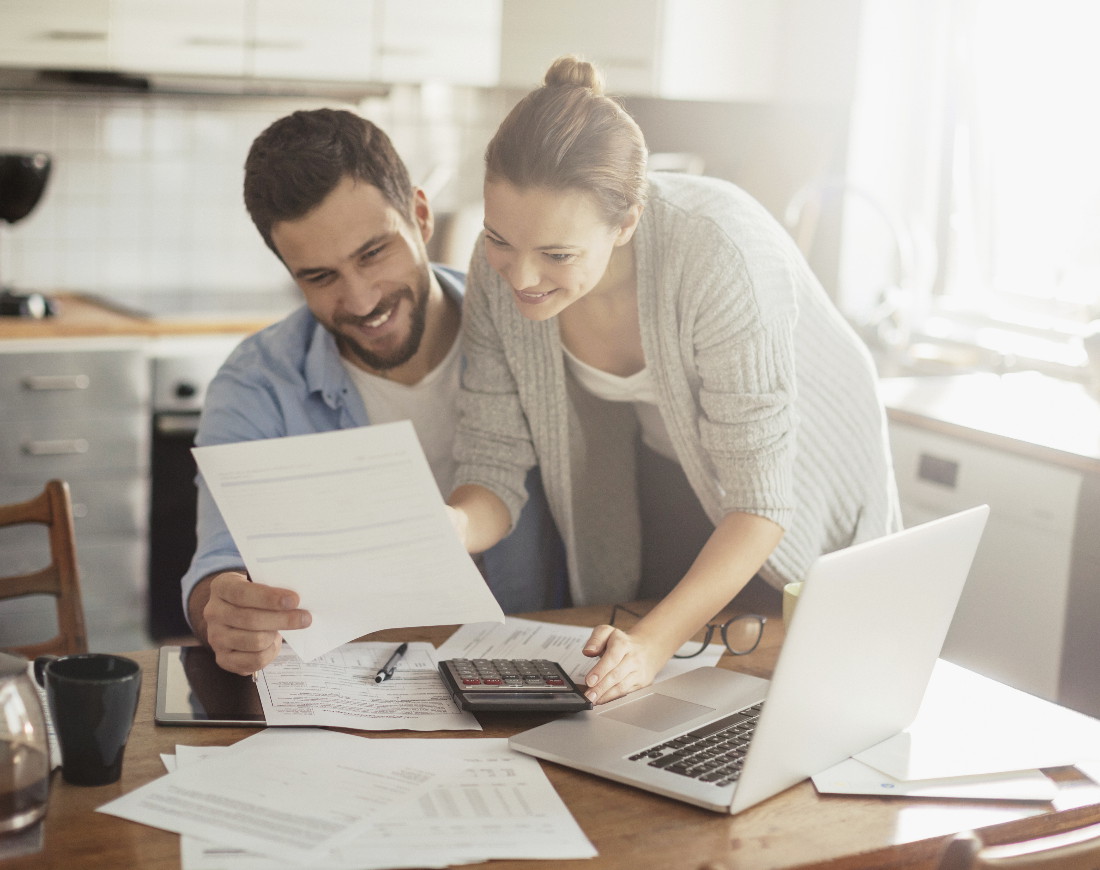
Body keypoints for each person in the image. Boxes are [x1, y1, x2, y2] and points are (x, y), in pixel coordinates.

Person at [446, 56, 902, 705]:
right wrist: (449, 527)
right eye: (499, 240)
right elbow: (491, 463)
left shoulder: (719, 256)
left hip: (801, 467)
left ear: (627, 221)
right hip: (671, 453)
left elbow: (760, 504)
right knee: (658, 672)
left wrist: (654, 644)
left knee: (786, 668)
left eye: (557, 254)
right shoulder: (499, 272)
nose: (518, 277)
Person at [183, 108, 564, 676]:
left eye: (373, 254)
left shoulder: (529, 331)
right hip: (352, 688)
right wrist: (227, 610)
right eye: (320, 277)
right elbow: (218, 566)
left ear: (421, 213)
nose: (361, 301)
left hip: (537, 673)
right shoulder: (257, 383)